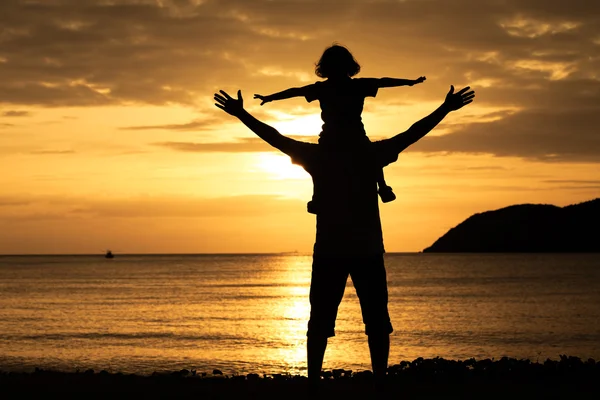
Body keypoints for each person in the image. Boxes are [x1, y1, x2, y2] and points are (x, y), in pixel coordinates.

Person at [214, 84, 475, 388]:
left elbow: (275, 137)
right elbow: (412, 133)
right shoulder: (369, 154)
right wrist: (444, 109)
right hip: (365, 248)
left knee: (324, 321)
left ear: (327, 115)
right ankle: (378, 381)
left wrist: (242, 114)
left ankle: (315, 382)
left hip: (331, 249)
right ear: (358, 113)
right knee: (373, 321)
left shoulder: (318, 156)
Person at [254, 44, 426, 214]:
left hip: (334, 138)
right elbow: (383, 82)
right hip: (350, 137)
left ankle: (320, 197)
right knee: (370, 155)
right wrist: (409, 82)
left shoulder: (324, 88)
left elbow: (296, 91)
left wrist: (270, 98)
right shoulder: (355, 86)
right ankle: (382, 187)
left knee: (322, 161)